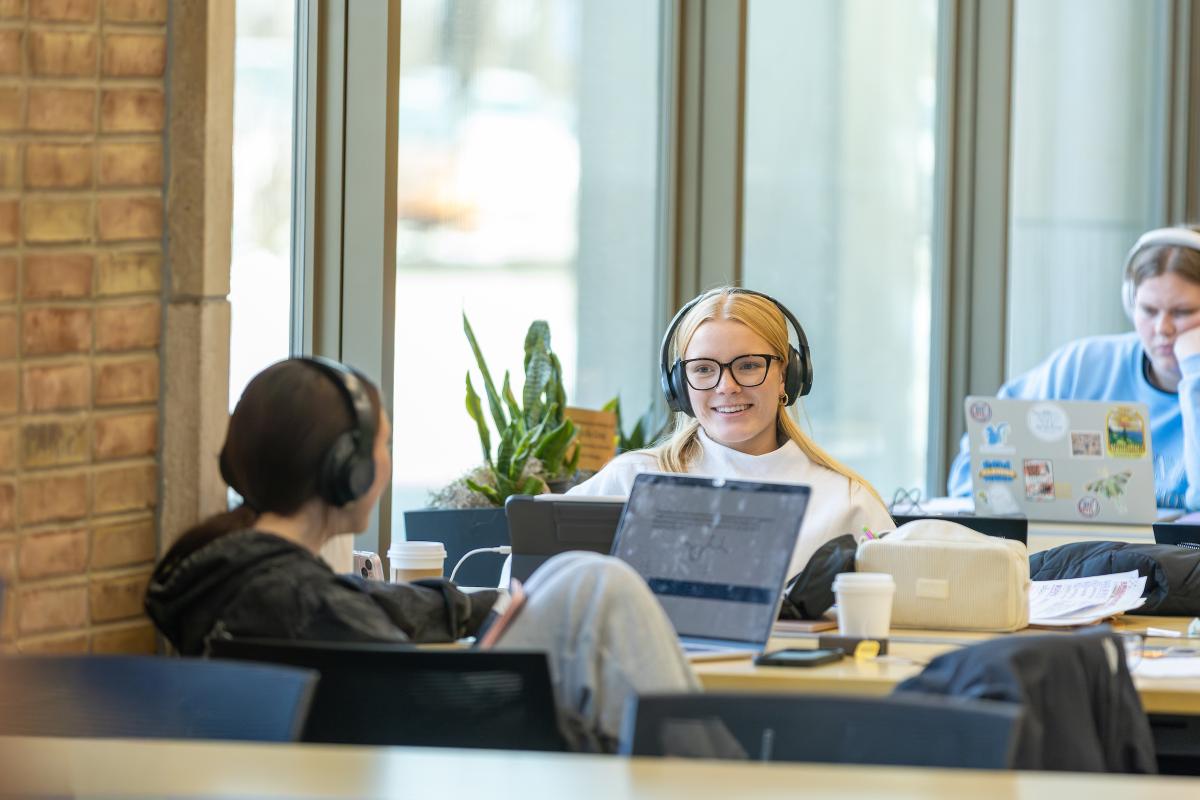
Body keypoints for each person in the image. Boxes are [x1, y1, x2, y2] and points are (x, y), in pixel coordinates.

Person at [144, 357, 698, 752]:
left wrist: (483, 606)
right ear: (349, 470)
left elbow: (371, 605)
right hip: (455, 767)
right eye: (384, 446)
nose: (384, 465)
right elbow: (458, 713)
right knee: (604, 585)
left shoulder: (235, 570)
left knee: (582, 578)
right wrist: (608, 745)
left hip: (402, 757)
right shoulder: (304, 603)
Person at [570, 287, 894, 577]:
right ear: (680, 386)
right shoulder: (631, 480)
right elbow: (531, 574)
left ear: (787, 375)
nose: (727, 387)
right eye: (704, 369)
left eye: (749, 365)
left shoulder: (845, 501)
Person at [946, 225, 1200, 509]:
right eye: (1149, 311)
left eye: (1183, 312)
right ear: (1131, 303)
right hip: (1075, 549)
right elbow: (969, 473)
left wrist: (1195, 372)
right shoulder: (1083, 366)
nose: (1162, 329)